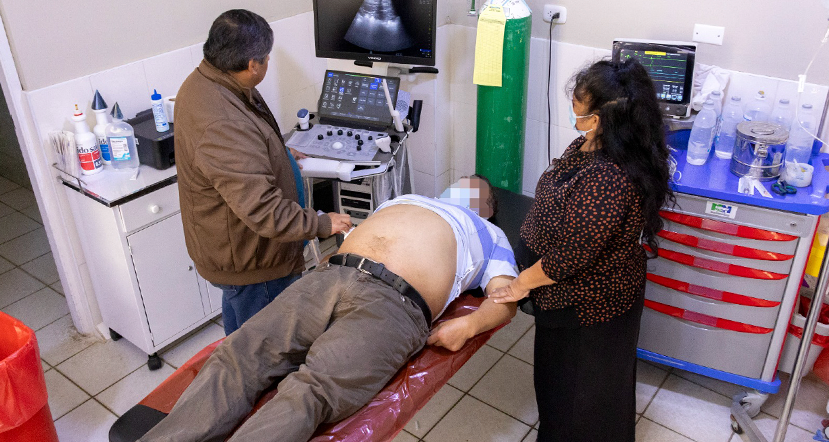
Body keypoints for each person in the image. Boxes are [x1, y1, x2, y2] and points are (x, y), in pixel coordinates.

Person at [139, 176, 518, 442]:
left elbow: (506, 300)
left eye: (475, 189)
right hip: (329, 276)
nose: (465, 187)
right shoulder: (406, 199)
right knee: (238, 355)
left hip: (394, 305)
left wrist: (467, 327)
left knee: (310, 390)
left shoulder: (488, 232)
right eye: (463, 181)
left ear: (487, 207)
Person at [490, 59, 675, 441]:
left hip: (588, 308)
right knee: (569, 392)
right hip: (574, 297)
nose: (576, 116)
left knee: (576, 400)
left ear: (610, 117)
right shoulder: (592, 143)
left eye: (583, 112)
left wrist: (523, 283)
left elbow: (571, 256)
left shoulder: (610, 177)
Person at [175, 9, 351, 335]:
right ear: (253, 65)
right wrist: (322, 223)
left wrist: (280, 153)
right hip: (257, 264)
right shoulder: (220, 121)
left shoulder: (209, 81)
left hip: (239, 257)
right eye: (266, 59)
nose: (267, 64)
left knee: (241, 331)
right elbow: (264, 210)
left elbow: (244, 150)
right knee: (268, 348)